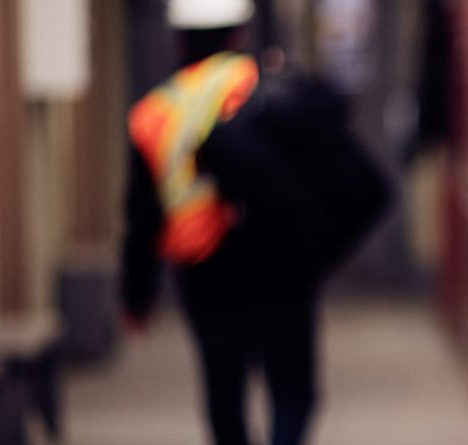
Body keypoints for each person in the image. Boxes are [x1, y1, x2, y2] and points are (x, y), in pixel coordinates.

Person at [120, 1, 390, 444]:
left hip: (205, 271)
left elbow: (142, 214)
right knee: (291, 390)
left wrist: (137, 296)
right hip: (278, 262)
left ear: (177, 40)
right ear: (238, 36)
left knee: (223, 392)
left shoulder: (152, 113)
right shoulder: (269, 89)